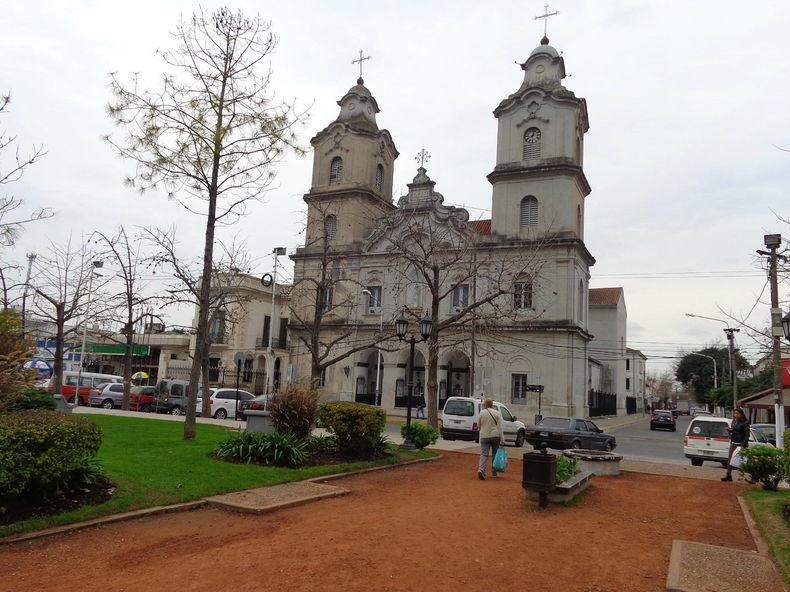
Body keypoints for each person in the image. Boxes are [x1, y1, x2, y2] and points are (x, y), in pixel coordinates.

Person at [477, 398, 505, 480]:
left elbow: (479, 425)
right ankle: (494, 472)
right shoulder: (497, 413)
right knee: (495, 454)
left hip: (484, 435)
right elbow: (500, 427)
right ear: (492, 404)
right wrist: (502, 439)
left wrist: (481, 431)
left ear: (485, 404)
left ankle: (481, 469)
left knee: (484, 453)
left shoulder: (482, 413)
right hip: (495, 435)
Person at [722, 407, 750, 482]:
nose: (736, 415)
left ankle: (752, 477)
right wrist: (729, 430)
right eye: (735, 413)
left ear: (741, 414)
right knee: (730, 459)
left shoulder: (745, 423)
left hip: (741, 443)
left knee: (744, 461)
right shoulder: (734, 422)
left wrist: (743, 446)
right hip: (733, 442)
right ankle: (728, 474)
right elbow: (734, 431)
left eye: (738, 413)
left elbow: (747, 435)